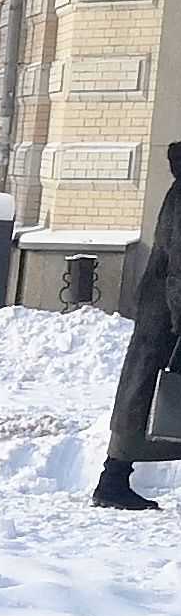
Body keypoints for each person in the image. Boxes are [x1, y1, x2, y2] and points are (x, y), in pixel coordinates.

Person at [98, 141, 181, 510]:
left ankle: (112, 481)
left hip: (162, 314)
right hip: (168, 316)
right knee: (146, 398)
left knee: (142, 397)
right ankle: (112, 482)